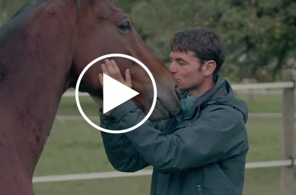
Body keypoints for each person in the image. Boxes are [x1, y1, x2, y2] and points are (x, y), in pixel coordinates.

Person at [90, 27, 249, 195]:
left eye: (181, 63)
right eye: (171, 60)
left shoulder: (226, 118)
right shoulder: (175, 110)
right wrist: (112, 114)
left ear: (208, 67)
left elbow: (169, 155)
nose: (172, 68)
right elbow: (127, 160)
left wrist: (123, 104)